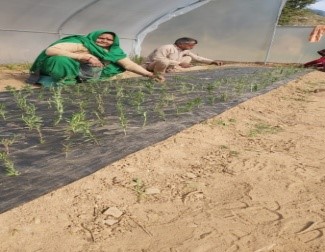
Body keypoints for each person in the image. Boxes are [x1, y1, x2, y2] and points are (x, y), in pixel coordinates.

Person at [28, 30, 163, 87]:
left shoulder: (114, 51)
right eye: (101, 37)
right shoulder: (82, 43)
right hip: (60, 69)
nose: (104, 40)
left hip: (84, 72)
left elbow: (129, 65)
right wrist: (82, 56)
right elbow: (51, 50)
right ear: (94, 36)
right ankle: (65, 83)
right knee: (60, 59)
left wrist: (149, 74)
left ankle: (83, 81)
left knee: (117, 65)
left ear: (113, 41)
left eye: (108, 39)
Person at [144, 37, 223, 77]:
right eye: (191, 45)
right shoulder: (166, 47)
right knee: (164, 61)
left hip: (170, 64)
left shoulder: (185, 51)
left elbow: (198, 58)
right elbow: (158, 59)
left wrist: (212, 61)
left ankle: (171, 69)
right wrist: (180, 63)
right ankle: (158, 76)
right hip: (152, 66)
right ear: (181, 44)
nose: (192, 47)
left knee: (188, 58)